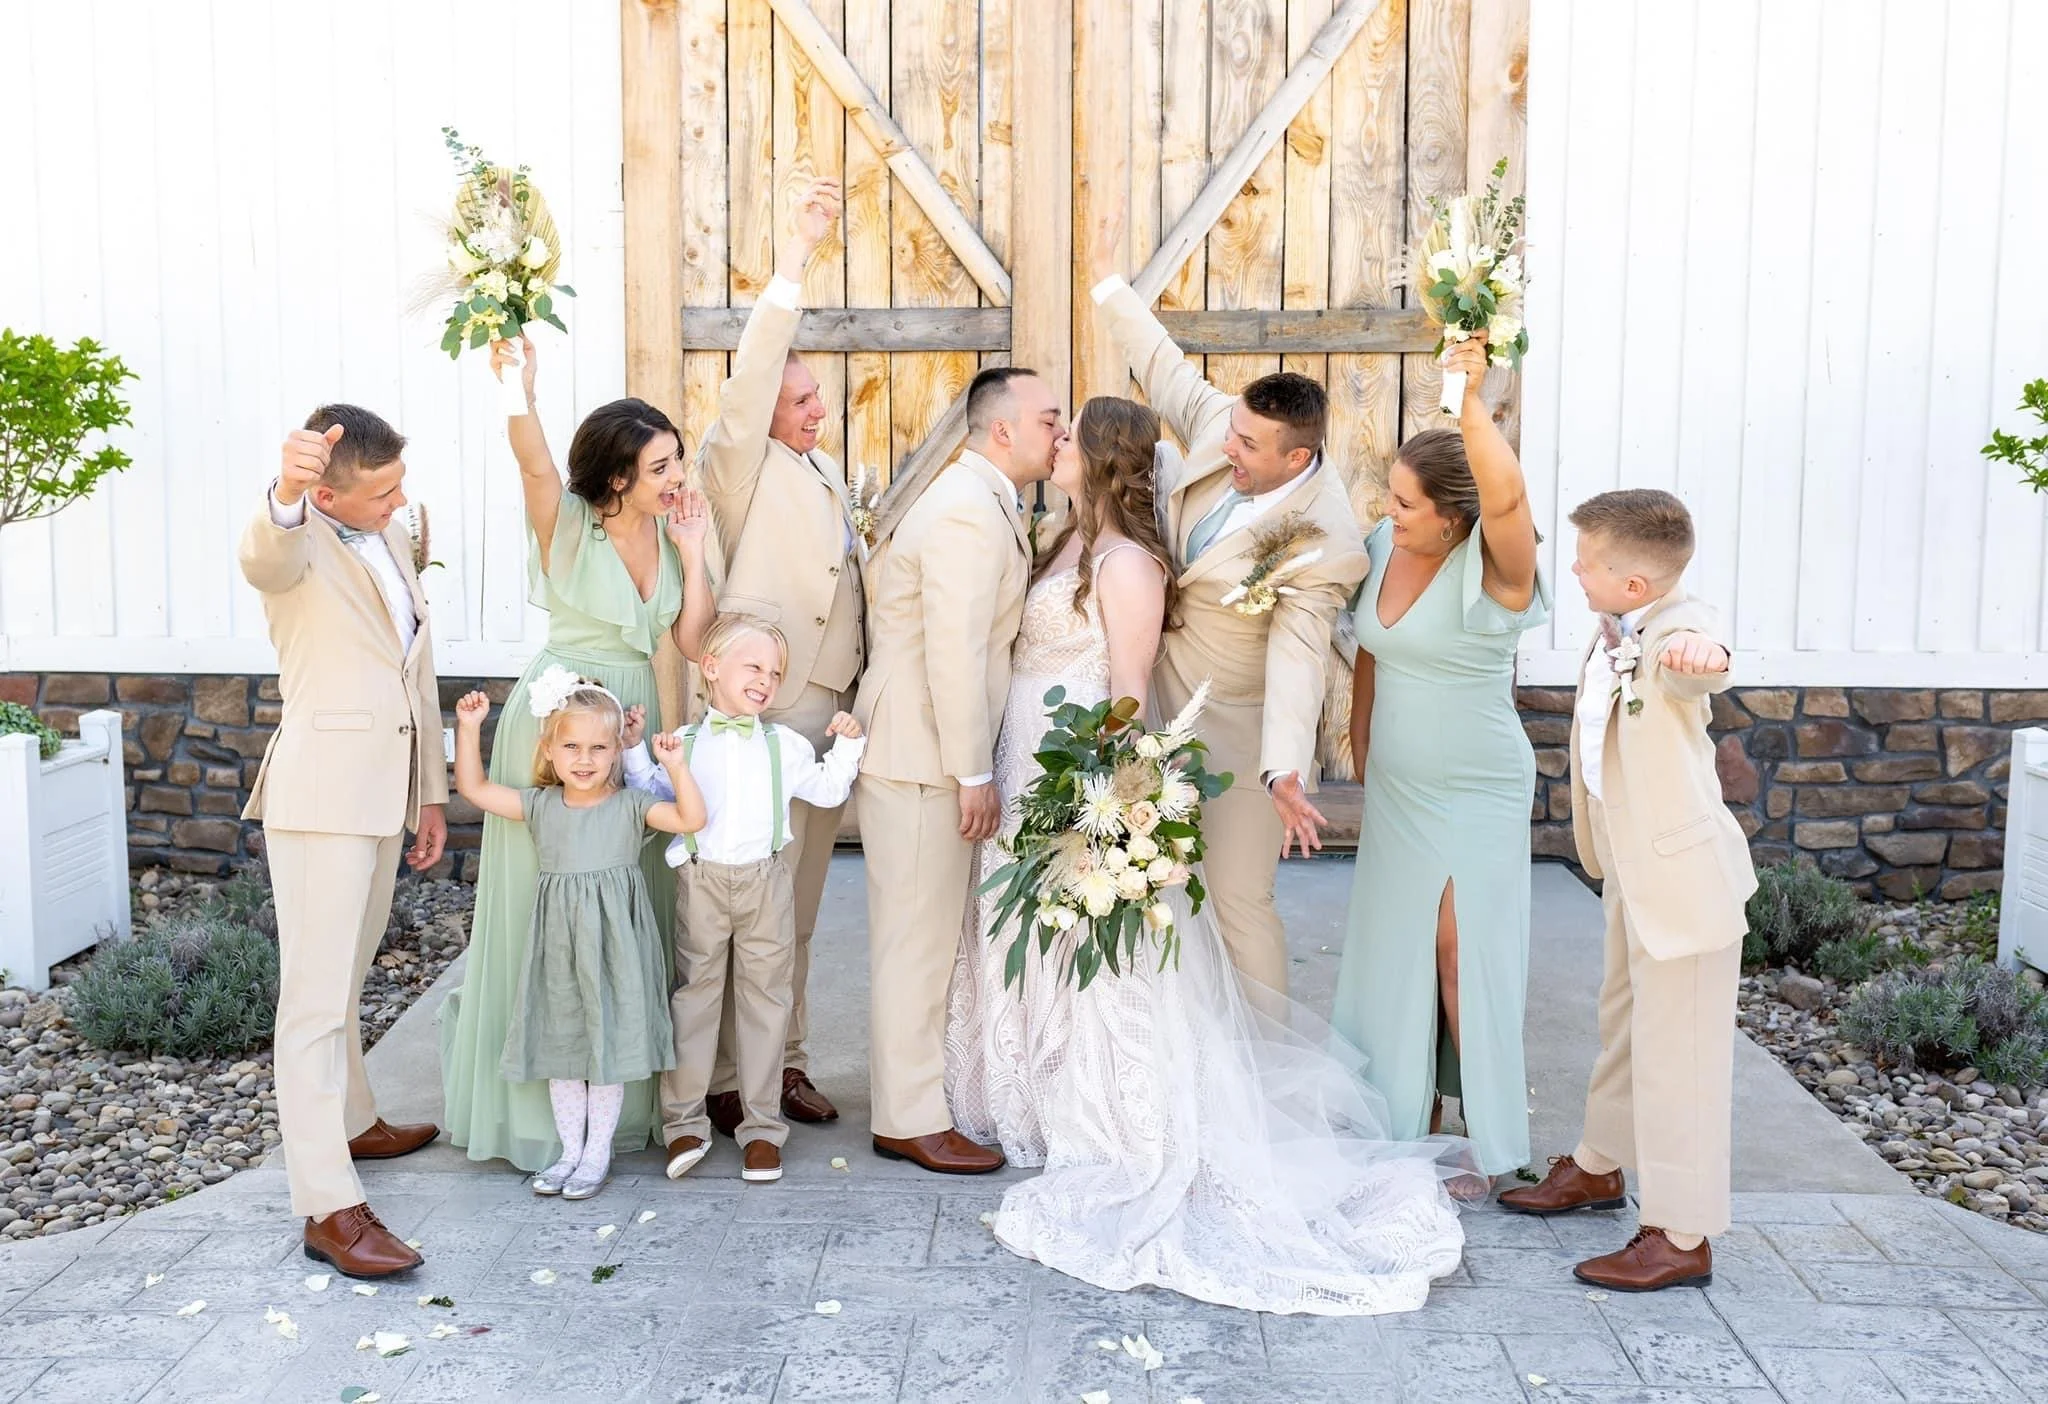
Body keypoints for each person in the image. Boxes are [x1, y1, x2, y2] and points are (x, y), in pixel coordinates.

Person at [946, 396, 1470, 1315]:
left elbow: (1130, 690)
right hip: (1024, 752)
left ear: (1105, 461)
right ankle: (1021, 1085)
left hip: (1078, 766)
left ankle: (1107, 1104)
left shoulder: (1133, 562)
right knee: (1023, 923)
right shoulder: (1059, 538)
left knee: (1101, 939)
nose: (1055, 443)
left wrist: (1105, 802)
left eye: (1070, 437)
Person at [438, 343, 716, 1173]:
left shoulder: (672, 539)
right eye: (661, 464)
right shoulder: (567, 525)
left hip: (637, 718)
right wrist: (515, 392)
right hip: (560, 723)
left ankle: (622, 1106)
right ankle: (540, 1120)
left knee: (629, 906)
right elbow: (530, 467)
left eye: (678, 459)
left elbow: (697, 643)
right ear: (618, 477)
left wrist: (696, 554)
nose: (677, 474)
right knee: (542, 905)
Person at [1088, 222, 1368, 997]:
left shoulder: (1326, 541)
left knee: (1241, 901)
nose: (1228, 449)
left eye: (1248, 447)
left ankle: (1268, 1075)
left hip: (1239, 730)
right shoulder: (1228, 427)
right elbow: (1166, 367)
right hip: (1152, 701)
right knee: (1156, 891)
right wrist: (1109, 280)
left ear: (1297, 460)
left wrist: (1283, 769)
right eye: (1232, 432)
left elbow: (1299, 654)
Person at [1499, 490, 1757, 1291]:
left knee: (1680, 1058)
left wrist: (1703, 660)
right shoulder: (1621, 624)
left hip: (1682, 887)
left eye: (1586, 561)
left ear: (1637, 585)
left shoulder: (1675, 633)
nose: (1572, 569)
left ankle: (1681, 1235)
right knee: (1626, 1027)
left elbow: (1700, 656)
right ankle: (1599, 1167)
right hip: (1634, 872)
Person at [1330, 334, 1548, 1184]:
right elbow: (1371, 656)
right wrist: (1361, 746)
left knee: (1462, 954)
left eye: (1407, 504)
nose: (1389, 513)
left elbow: (1508, 497)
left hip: (1476, 788)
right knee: (1399, 951)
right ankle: (1406, 1111)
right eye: (1389, 496)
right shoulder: (1383, 550)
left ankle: (1489, 1140)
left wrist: (1469, 398)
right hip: (1397, 787)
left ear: (1455, 518)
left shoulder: (1498, 572)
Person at [240, 406, 448, 1279]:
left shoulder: (390, 533)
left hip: (382, 791)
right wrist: (284, 493)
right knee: (316, 1007)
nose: (401, 502)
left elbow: (416, 668)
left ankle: (356, 1120)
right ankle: (328, 1205)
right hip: (322, 800)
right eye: (382, 490)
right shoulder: (290, 541)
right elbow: (266, 550)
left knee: (350, 975)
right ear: (323, 491)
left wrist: (429, 792)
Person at [854, 365, 1063, 1174]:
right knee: (913, 938)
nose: (1060, 430)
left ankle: (917, 1098)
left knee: (928, 933)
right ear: (1002, 429)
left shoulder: (990, 502)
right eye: (1048, 418)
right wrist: (973, 772)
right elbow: (954, 649)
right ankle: (906, 1118)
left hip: (929, 748)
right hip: (919, 754)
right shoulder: (966, 513)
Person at [693, 178, 862, 1132]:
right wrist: (795, 259)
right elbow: (755, 372)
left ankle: (781, 1064)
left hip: (819, 718)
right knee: (740, 905)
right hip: (759, 709)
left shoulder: (822, 472)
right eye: (800, 399)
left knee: (792, 913)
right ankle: (723, 1079)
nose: (815, 411)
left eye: (819, 398)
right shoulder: (738, 464)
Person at [621, 616, 866, 1185]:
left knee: (766, 1003)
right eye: (753, 666)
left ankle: (762, 1129)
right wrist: (636, 754)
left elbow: (828, 791)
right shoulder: (682, 743)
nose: (766, 680)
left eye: (775, 672)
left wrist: (849, 745)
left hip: (765, 884)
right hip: (701, 883)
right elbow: (656, 800)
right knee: (695, 1000)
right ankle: (684, 1122)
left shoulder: (785, 745)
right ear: (711, 668)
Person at [450, 681, 705, 1199]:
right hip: (559, 948)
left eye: (598, 747)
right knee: (564, 1043)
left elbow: (691, 819)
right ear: (549, 750)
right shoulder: (542, 805)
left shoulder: (632, 805)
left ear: (616, 751)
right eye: (571, 746)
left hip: (616, 948)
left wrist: (674, 766)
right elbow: (475, 791)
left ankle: (597, 1153)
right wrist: (469, 728)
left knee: (606, 1045)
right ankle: (569, 1151)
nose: (584, 759)